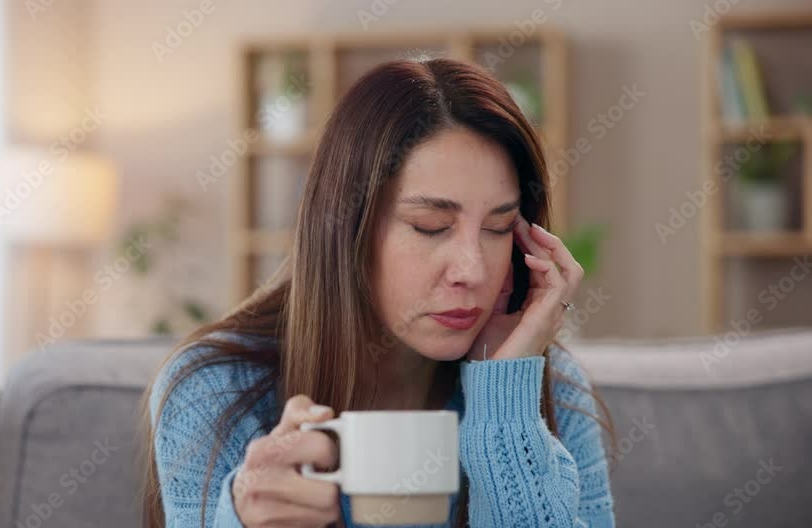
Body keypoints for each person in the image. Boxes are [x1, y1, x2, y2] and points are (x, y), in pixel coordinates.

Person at [141, 57, 616, 527]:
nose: (471, 270)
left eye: (497, 227)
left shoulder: (551, 390)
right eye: (430, 227)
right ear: (346, 229)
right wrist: (239, 519)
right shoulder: (216, 389)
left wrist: (505, 410)